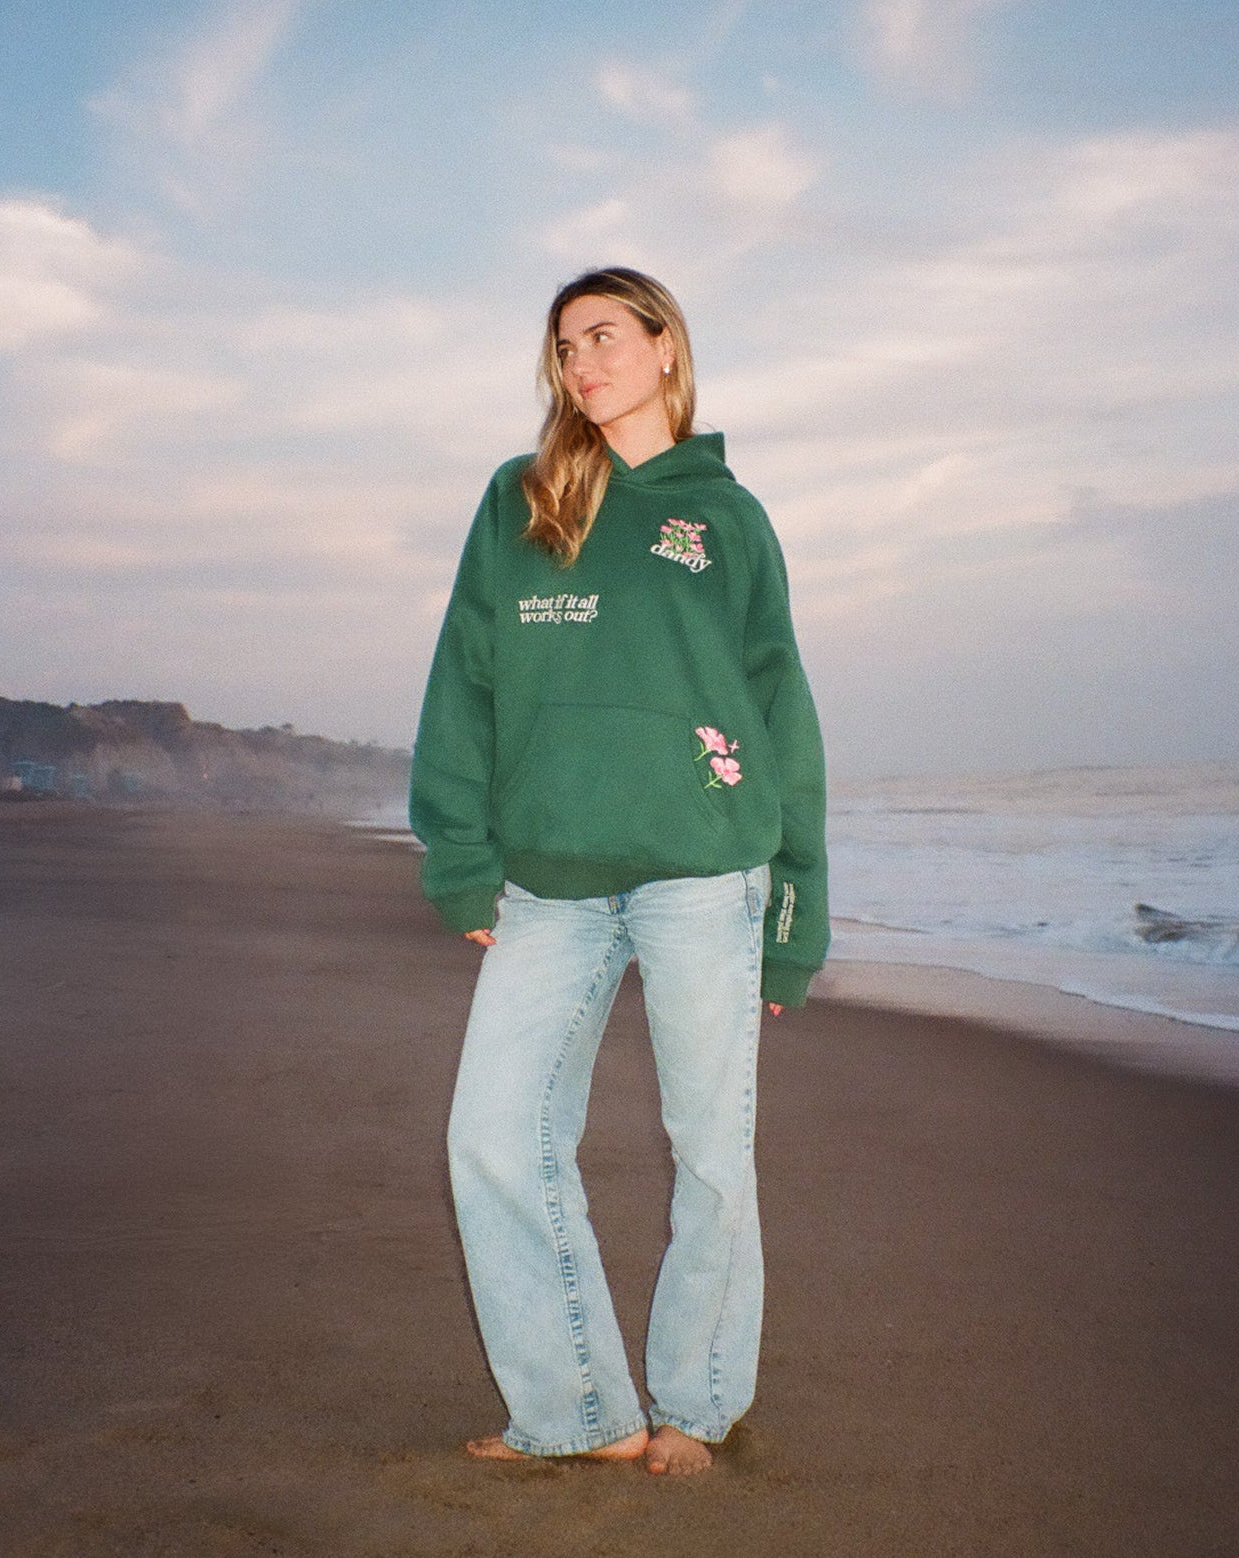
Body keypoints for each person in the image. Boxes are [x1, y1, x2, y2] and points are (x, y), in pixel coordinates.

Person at [409, 266, 828, 1475]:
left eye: (603, 336)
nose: (581, 363)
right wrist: (460, 855)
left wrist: (795, 918)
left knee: (708, 1146)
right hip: (549, 880)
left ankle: (696, 1406)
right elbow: (465, 677)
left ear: (662, 348)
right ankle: (578, 1407)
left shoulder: (729, 517)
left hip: (706, 870)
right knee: (492, 1135)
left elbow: (779, 716)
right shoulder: (523, 496)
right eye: (563, 346)